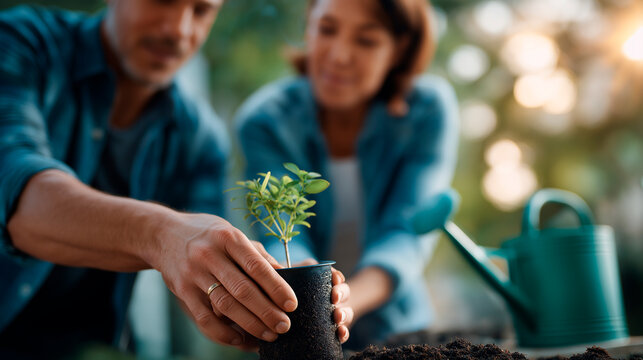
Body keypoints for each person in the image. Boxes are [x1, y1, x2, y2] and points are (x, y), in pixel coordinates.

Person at [0, 0, 350, 358]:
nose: (179, 31)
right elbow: (15, 193)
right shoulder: (20, 44)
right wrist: (161, 234)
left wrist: (269, 288)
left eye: (202, 10)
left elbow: (203, 276)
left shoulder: (199, 138)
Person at [236, 0, 458, 349]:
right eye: (327, 29)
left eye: (366, 41)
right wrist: (306, 292)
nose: (339, 55)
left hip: (399, 334)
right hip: (301, 330)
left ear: (399, 49)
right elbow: (279, 229)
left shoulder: (427, 111)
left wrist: (340, 302)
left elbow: (406, 232)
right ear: (309, 25)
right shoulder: (266, 121)